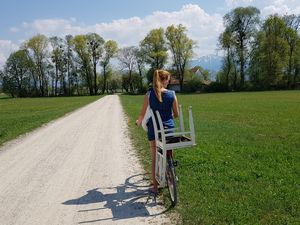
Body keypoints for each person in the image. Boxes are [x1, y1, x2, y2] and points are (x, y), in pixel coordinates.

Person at [136, 69, 179, 194]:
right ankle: (171, 174)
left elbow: (142, 114)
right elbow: (176, 114)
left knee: (155, 157)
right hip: (169, 129)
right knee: (169, 152)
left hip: (154, 130)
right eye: (168, 80)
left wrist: (138, 122)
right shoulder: (172, 94)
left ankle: (155, 187)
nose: (169, 82)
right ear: (164, 80)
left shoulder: (149, 94)